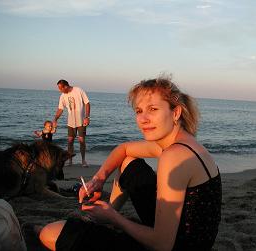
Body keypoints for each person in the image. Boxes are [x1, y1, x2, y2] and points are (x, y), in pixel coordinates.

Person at [39, 76, 222, 251]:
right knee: (129, 162)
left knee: (50, 233)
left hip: (175, 245)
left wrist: (115, 218)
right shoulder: (184, 144)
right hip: (185, 233)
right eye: (139, 111)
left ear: (175, 113)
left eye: (153, 109)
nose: (143, 119)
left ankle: (106, 217)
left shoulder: (174, 155)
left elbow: (162, 245)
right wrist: (99, 179)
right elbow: (124, 149)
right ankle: (101, 217)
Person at [52, 79, 90, 167]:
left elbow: (87, 103)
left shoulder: (78, 90)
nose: (60, 90)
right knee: (70, 141)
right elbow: (60, 109)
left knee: (81, 141)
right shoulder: (62, 96)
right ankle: (70, 161)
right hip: (71, 122)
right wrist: (55, 119)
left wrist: (87, 117)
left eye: (61, 88)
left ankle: (83, 161)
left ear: (65, 86)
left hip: (81, 121)